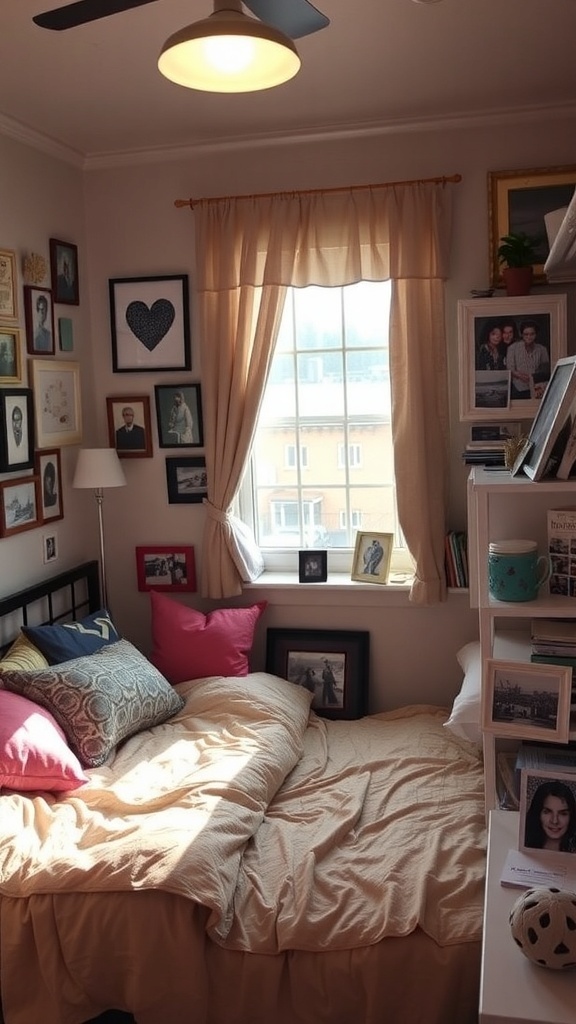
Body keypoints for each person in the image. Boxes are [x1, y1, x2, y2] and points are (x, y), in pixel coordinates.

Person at [524, 780, 576, 853]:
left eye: (563, 813)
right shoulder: (522, 848)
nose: (555, 821)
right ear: (537, 814)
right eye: (547, 812)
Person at [506, 320, 550, 400]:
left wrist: (533, 379)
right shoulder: (512, 348)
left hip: (537, 388)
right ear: (522, 334)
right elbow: (510, 369)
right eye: (526, 334)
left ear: (536, 334)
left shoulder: (542, 349)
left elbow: (545, 371)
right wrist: (523, 377)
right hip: (518, 388)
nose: (529, 337)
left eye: (532, 334)